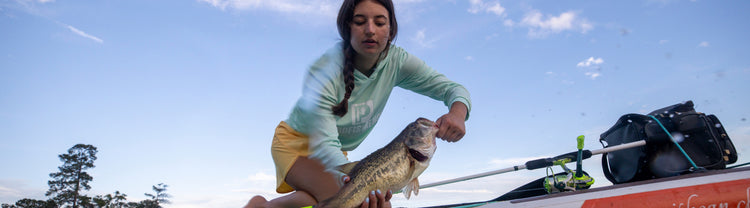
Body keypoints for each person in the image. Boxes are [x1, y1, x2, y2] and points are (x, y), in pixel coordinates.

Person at [245, 0, 471, 207]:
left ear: (390, 29)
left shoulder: (398, 61)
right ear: (347, 29)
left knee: (365, 202)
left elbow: (453, 89)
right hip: (296, 143)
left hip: (337, 151)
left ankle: (264, 207)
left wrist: (458, 113)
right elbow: (326, 145)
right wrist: (358, 182)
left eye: (380, 22)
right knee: (350, 201)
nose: (370, 30)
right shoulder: (327, 70)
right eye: (360, 21)